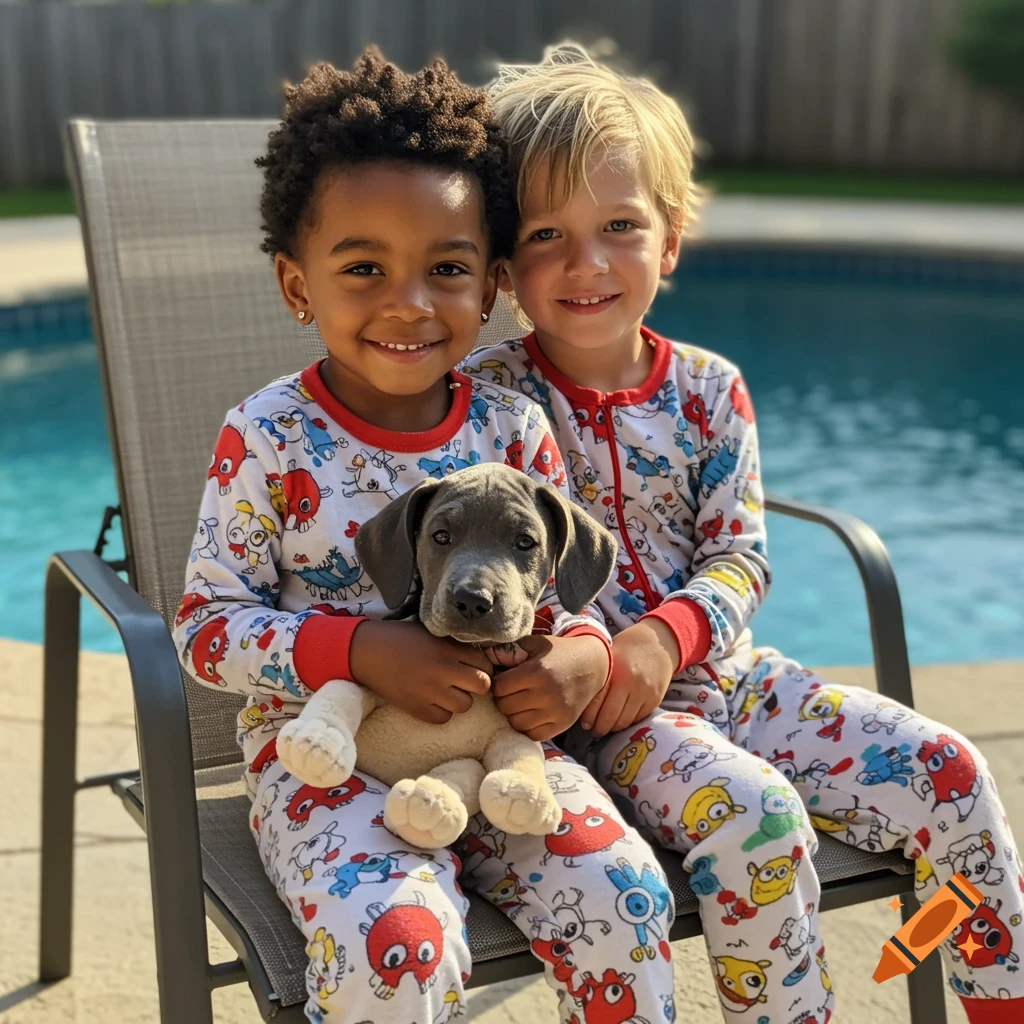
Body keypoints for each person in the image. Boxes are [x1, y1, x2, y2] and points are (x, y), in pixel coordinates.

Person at [466, 42, 1024, 1024]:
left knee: (954, 775)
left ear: (670, 240)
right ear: (505, 266)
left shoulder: (708, 389)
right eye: (547, 234)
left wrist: (668, 634)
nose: (588, 262)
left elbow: (740, 554)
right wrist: (601, 657)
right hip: (609, 724)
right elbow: (495, 571)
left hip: (735, 679)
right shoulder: (489, 404)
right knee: (757, 823)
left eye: (620, 226)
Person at [172, 48, 676, 1024]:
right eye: (364, 268)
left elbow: (566, 591)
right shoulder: (268, 435)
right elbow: (203, 626)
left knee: (624, 896)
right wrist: (359, 649)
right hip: (326, 761)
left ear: (489, 285)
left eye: (445, 269)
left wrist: (580, 654)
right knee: (397, 943)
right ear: (297, 285)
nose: (408, 301)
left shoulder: (513, 429)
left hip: (500, 754)